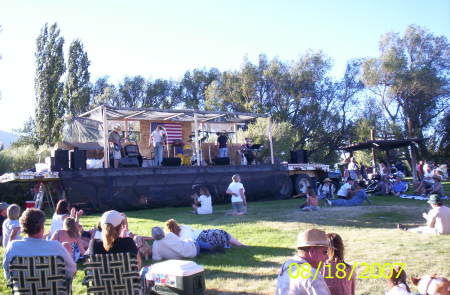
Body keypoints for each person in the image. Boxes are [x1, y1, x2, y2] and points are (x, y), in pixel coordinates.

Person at [3, 208, 76, 280]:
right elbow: (72, 271)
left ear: (23, 227)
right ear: (42, 227)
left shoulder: (12, 247)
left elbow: (8, 276)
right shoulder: (56, 247)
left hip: (23, 291)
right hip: (54, 290)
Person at [275, 228, 331, 295]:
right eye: (325, 252)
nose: (327, 257)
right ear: (312, 251)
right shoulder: (312, 275)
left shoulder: (286, 266)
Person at [165, 219, 247, 253]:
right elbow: (192, 230)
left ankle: (221, 246)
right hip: (201, 233)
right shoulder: (182, 226)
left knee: (216, 236)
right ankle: (238, 244)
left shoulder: (173, 236)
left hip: (198, 239)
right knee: (221, 232)